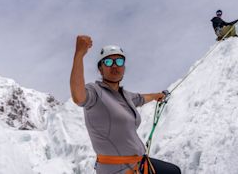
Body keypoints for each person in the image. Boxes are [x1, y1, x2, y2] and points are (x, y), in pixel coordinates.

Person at [70, 35, 181, 174]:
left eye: (119, 61)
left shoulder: (125, 96)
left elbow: (141, 98)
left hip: (139, 163)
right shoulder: (95, 92)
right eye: (109, 62)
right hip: (118, 170)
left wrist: (157, 95)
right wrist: (79, 54)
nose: (115, 66)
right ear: (100, 69)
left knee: (174, 171)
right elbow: (78, 97)